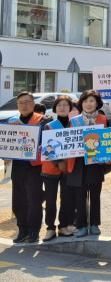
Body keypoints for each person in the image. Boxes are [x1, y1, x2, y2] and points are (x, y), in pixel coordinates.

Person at [69, 90, 109, 237]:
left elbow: (108, 140)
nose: (88, 104)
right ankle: (81, 225)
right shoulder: (74, 120)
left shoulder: (104, 119)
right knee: (80, 196)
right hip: (79, 163)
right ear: (81, 103)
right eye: (85, 101)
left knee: (95, 195)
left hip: (96, 162)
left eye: (91, 101)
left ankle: (94, 224)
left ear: (97, 103)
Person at [9, 91, 46, 244]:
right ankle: (22, 230)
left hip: (34, 166)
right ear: (17, 105)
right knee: (18, 200)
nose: (24, 105)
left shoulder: (42, 121)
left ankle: (33, 231)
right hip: (17, 166)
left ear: (33, 104)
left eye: (27, 102)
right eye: (21, 103)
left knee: (34, 199)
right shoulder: (11, 122)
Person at [41, 95, 76, 241]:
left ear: (70, 108)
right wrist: (58, 161)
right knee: (50, 200)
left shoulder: (75, 124)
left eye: (65, 105)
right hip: (51, 169)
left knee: (67, 198)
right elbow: (46, 148)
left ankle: (63, 226)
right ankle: (50, 228)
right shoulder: (49, 125)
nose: (62, 107)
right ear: (55, 108)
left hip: (69, 168)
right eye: (59, 105)